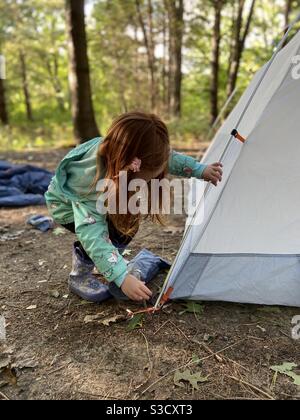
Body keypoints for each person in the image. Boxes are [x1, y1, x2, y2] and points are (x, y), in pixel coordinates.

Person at [45, 112, 222, 303]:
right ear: (132, 167)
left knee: (126, 222)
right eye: (150, 175)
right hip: (67, 208)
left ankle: (111, 263)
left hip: (106, 194)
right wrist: (121, 277)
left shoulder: (126, 153)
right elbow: (92, 233)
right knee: (100, 235)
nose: (153, 178)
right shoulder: (88, 185)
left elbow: (166, 158)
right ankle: (80, 273)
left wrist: (199, 169)